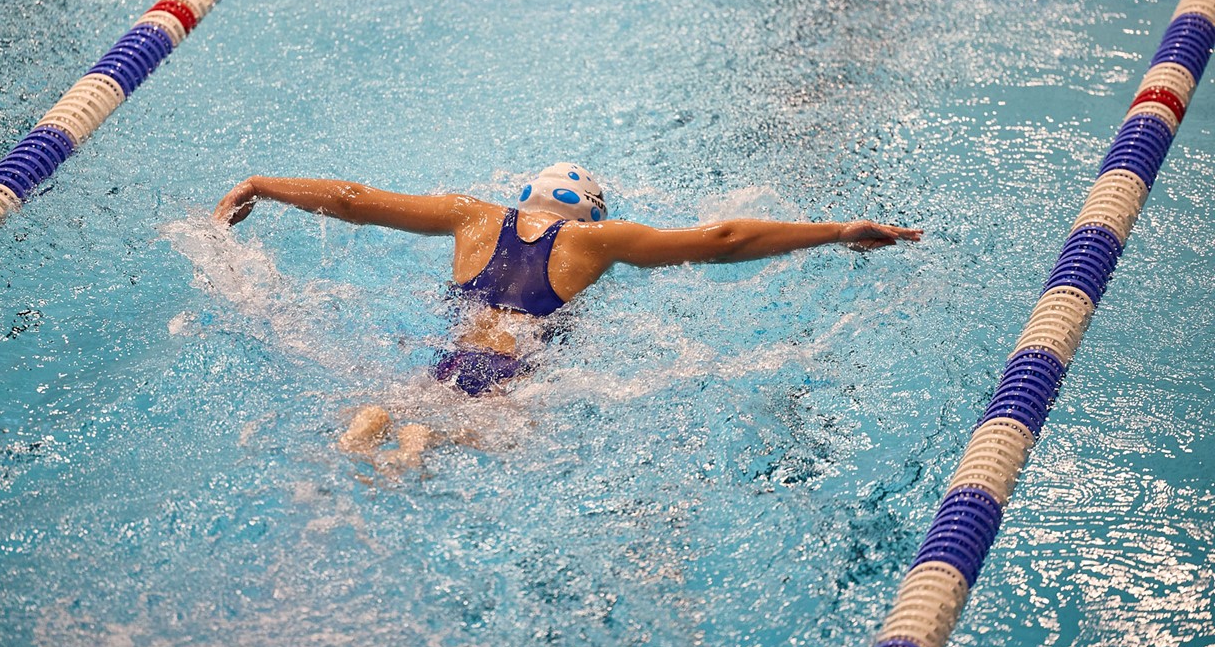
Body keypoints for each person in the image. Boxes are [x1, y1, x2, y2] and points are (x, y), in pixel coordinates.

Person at [213, 162, 922, 473]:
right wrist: (837, 230)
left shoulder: (471, 217)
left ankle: (386, 424)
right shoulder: (594, 242)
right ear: (590, 213)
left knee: (398, 409)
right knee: (492, 439)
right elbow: (723, 239)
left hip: (444, 364)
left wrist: (262, 185)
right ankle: (424, 441)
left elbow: (354, 199)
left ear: (525, 195)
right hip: (511, 384)